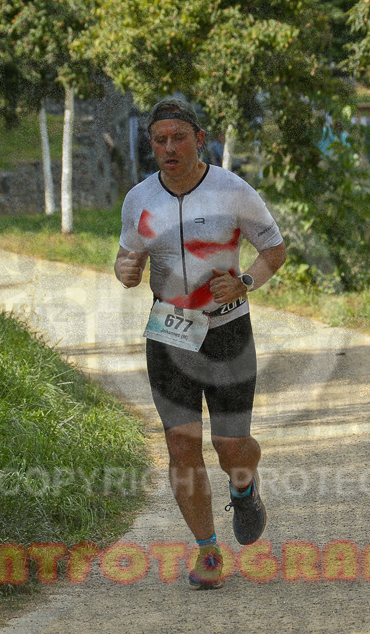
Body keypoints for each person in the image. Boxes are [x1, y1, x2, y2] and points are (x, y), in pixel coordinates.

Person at [114, 97, 287, 590]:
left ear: (199, 140)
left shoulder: (233, 190)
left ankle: (246, 488)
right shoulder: (139, 198)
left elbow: (274, 251)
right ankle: (208, 551)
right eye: (159, 139)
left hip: (227, 330)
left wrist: (246, 282)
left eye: (179, 138)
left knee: (230, 444)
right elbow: (129, 258)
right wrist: (125, 270)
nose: (169, 147)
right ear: (151, 144)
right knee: (180, 445)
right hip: (168, 333)